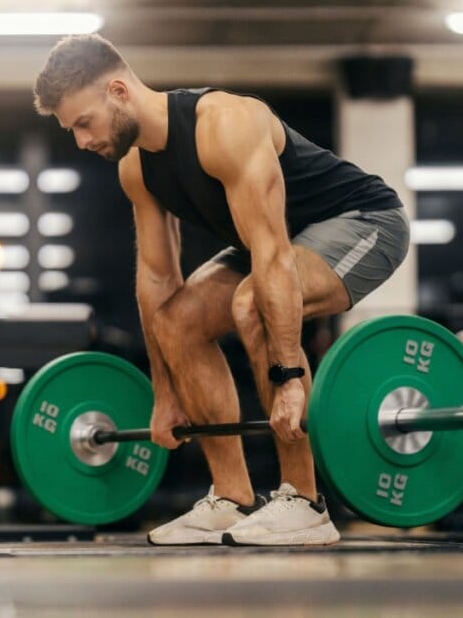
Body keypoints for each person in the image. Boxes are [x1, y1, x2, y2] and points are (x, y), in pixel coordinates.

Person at [33, 34, 410, 546]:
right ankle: (231, 499)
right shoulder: (136, 168)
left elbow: (274, 255)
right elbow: (157, 281)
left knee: (252, 300)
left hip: (363, 223)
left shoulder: (225, 124)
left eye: (83, 123)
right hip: (270, 247)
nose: (81, 140)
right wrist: (166, 394)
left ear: (118, 91)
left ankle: (304, 502)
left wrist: (290, 377)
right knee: (177, 318)